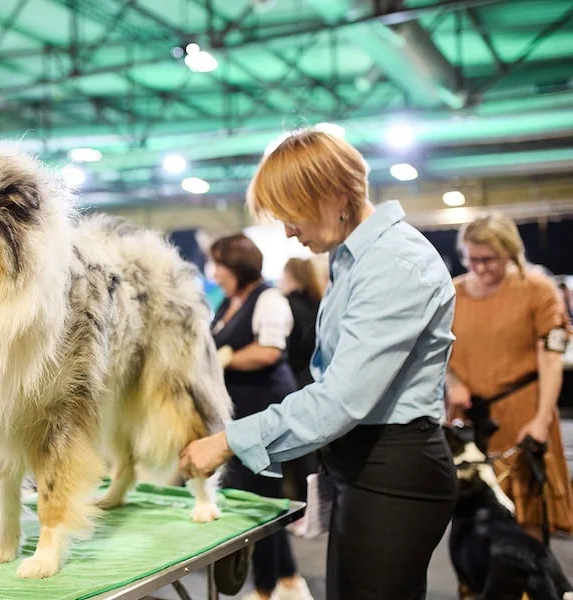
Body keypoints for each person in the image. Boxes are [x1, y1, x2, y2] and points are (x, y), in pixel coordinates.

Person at [180, 129, 457, 600]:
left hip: (393, 475)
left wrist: (230, 440)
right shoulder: (354, 260)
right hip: (360, 467)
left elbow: (340, 399)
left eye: (292, 215)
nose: (289, 230)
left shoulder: (393, 262)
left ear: (333, 196)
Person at [446, 213, 573, 537]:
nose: (480, 268)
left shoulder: (538, 290)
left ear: (510, 252)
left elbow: (551, 359)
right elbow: (436, 351)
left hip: (523, 414)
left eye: (490, 259)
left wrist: (542, 419)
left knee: (527, 519)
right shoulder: (452, 294)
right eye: (473, 259)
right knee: (471, 525)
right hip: (468, 421)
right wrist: (453, 383)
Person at [209, 234, 312, 600]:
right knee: (251, 499)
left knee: (260, 503)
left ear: (238, 265)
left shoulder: (269, 299)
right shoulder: (228, 302)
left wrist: (225, 359)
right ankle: (288, 580)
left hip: (266, 411)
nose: (214, 273)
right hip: (238, 413)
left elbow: (269, 351)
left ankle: (265, 588)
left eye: (219, 265)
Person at [278, 257, 323, 509]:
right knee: (313, 451)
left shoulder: (286, 304)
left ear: (290, 276)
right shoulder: (319, 302)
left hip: (295, 383)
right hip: (316, 381)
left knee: (297, 453)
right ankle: (314, 506)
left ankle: (302, 507)